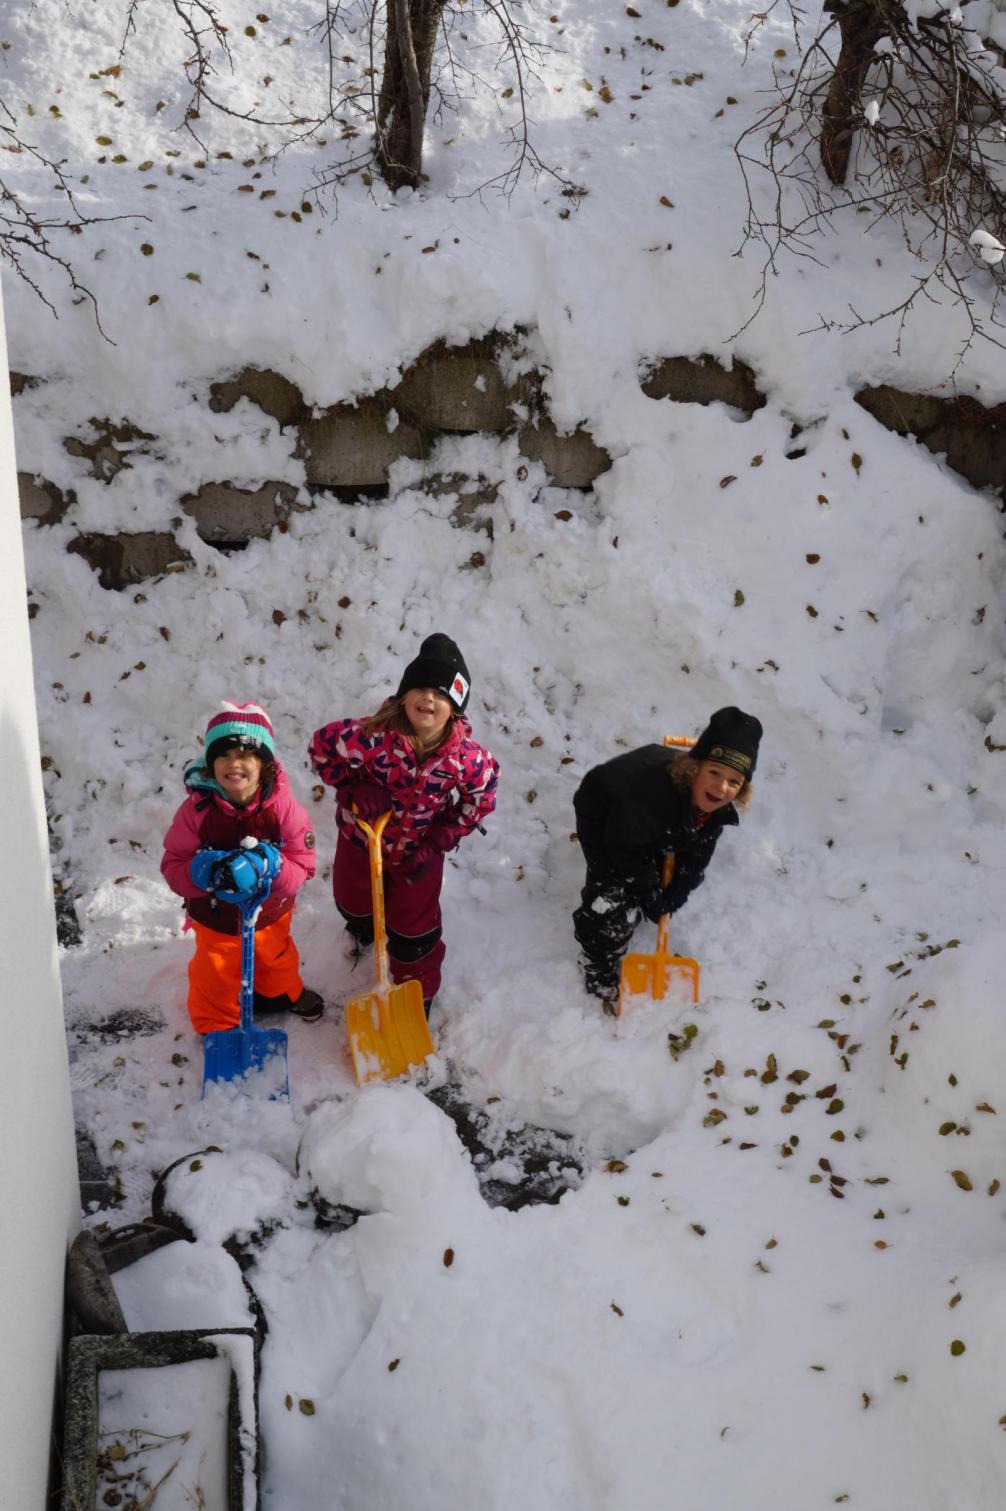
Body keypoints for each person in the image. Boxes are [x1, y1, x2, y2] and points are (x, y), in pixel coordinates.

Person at [309, 633, 499, 1012]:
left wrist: (443, 836)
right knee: (354, 900)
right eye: (422, 688)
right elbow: (321, 747)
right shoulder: (369, 736)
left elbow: (483, 796)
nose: (429, 698)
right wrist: (351, 787)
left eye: (442, 694)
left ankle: (418, 993)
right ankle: (363, 929)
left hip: (419, 853)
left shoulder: (467, 759)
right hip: (361, 838)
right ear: (403, 695)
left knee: (416, 930)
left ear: (456, 708)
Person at [572, 706, 762, 1009]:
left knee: (666, 866)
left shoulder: (714, 810)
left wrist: (680, 888)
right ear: (694, 768)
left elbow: (700, 851)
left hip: (649, 823)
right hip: (604, 813)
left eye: (734, 781)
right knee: (613, 898)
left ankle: (655, 855)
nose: (722, 787)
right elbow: (620, 845)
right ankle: (597, 960)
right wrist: (647, 890)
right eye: (714, 772)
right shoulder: (651, 800)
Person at [161, 701, 323, 1032]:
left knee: (274, 960)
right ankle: (216, 1025)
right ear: (210, 763)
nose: (235, 764)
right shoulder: (196, 811)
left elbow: (303, 867)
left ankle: (278, 995)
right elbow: (173, 864)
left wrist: (272, 866)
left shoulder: (284, 811)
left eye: (246, 756)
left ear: (264, 764)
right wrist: (201, 872)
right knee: (215, 972)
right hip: (215, 915)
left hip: (269, 914)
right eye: (224, 755)